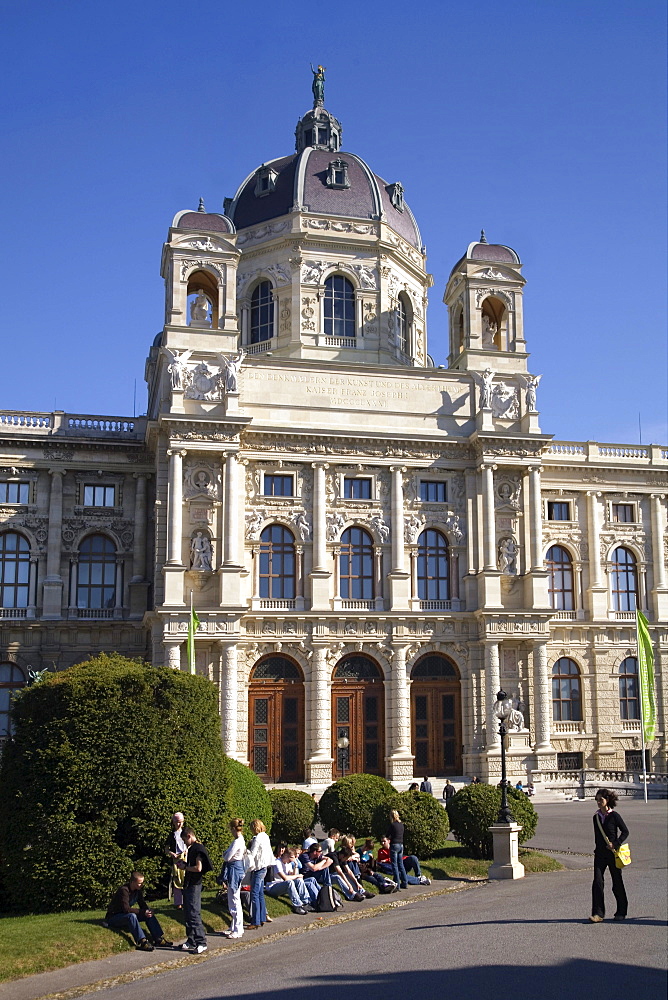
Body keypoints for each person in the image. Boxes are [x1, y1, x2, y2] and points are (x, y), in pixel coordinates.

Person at [590, 788, 629, 923]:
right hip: (600, 854)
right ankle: (598, 913)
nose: (599, 802)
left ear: (607, 800)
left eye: (601, 799)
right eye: (597, 800)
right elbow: (597, 837)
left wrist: (616, 843)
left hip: (613, 854)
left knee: (617, 882)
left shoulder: (614, 816)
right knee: (597, 883)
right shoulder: (595, 817)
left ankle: (621, 911)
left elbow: (625, 832)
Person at [105, 872, 171, 950]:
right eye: (139, 883)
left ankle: (158, 938)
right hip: (114, 917)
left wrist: (148, 911)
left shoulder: (138, 890)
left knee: (149, 915)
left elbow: (142, 904)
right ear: (132, 882)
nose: (141, 885)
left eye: (142, 883)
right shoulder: (124, 890)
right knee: (132, 916)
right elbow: (126, 909)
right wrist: (143, 912)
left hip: (125, 915)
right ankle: (142, 941)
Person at [177, 826, 212, 953]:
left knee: (193, 912)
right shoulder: (192, 848)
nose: (184, 843)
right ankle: (191, 940)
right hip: (189, 883)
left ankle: (201, 941)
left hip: (194, 884)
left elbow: (198, 868)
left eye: (184, 840)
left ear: (189, 836)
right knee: (187, 912)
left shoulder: (198, 849)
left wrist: (185, 867)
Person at [265, 847, 316, 912]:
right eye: (291, 857)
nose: (292, 860)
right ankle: (297, 905)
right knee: (289, 882)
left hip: (282, 886)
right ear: (286, 855)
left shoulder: (288, 864)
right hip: (273, 887)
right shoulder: (277, 862)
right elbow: (285, 878)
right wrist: (297, 876)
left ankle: (305, 902)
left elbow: (292, 875)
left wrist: (295, 866)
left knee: (299, 880)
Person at [246, 819, 275, 929]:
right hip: (265, 866)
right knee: (259, 893)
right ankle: (262, 916)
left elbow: (252, 853)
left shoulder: (257, 839)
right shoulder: (265, 836)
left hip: (259, 868)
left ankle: (256, 920)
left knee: (254, 893)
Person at [221, 818, 246, 939]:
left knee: (234, 899)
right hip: (236, 868)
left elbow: (227, 856)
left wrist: (225, 854)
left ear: (232, 829)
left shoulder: (237, 842)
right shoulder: (239, 840)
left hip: (235, 870)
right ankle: (234, 926)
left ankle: (238, 929)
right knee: (233, 898)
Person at [164, 811, 187, 908]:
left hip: (185, 858)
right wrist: (171, 854)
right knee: (177, 879)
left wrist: (186, 851)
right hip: (176, 859)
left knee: (186, 878)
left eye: (181, 822)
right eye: (177, 822)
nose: (179, 824)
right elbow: (166, 849)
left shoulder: (186, 832)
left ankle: (187, 900)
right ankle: (178, 903)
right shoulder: (171, 835)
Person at [387, 810, 408, 890]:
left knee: (394, 865)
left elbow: (388, 834)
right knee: (400, 864)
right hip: (401, 844)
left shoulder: (393, 825)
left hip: (394, 844)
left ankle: (397, 884)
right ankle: (405, 882)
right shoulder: (401, 825)